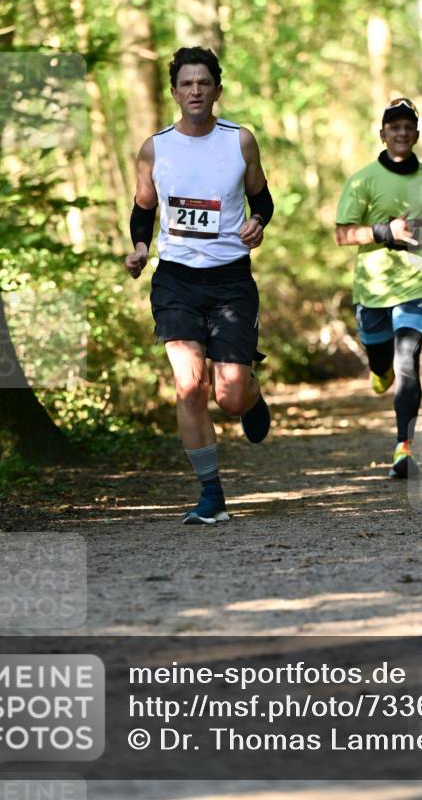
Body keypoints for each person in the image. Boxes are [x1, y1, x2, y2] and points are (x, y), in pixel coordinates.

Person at [124, 47, 273, 524]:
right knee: (189, 386)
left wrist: (259, 223)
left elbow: (261, 198)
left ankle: (250, 391)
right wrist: (141, 248)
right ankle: (211, 494)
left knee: (228, 397)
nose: (195, 91)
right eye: (186, 84)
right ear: (174, 92)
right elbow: (144, 207)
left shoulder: (240, 141)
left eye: (203, 83)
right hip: (176, 280)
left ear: (216, 91)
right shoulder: (155, 148)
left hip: (230, 278)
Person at [335, 97, 422, 479]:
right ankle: (379, 369)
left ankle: (402, 449)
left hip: (417, 283)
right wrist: (383, 232)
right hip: (373, 288)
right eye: (395, 127)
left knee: (407, 361)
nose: (402, 133)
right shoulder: (362, 180)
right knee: (382, 363)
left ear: (417, 134)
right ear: (383, 133)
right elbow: (342, 235)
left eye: (408, 127)